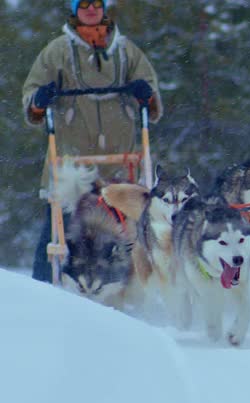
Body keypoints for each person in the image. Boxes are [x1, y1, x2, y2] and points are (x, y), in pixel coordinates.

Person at [21, 0, 163, 283]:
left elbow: (151, 96)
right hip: (71, 163)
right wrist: (38, 101)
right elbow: (32, 95)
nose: (90, 9)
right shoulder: (57, 52)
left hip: (120, 163)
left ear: (104, 8)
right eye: (83, 4)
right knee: (57, 227)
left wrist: (146, 94)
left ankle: (138, 286)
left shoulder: (126, 51)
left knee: (132, 229)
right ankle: (43, 292)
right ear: (74, 10)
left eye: (95, 3)